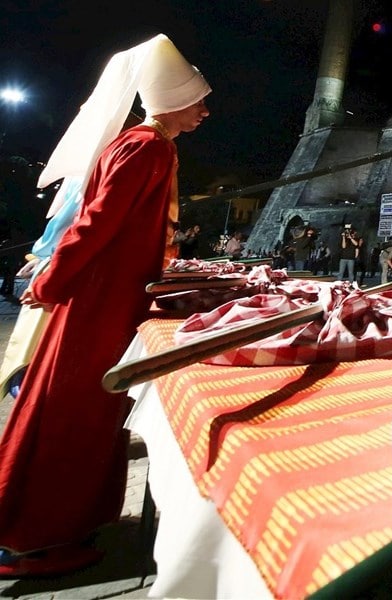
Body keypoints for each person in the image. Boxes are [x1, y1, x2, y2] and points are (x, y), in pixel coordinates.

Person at [0, 34, 210, 576]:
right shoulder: (147, 146)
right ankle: (34, 539)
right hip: (99, 301)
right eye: (198, 101)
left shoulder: (147, 143)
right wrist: (52, 280)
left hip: (105, 297)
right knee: (73, 413)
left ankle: (50, 526)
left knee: (81, 411)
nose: (205, 110)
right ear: (171, 101)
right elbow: (96, 222)